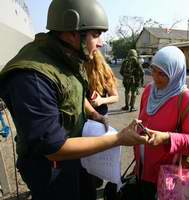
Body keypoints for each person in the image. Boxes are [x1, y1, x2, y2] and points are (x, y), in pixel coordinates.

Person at [0, 0, 148, 200]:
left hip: (73, 158)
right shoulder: (33, 78)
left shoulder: (64, 56)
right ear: (72, 32)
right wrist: (118, 139)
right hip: (50, 169)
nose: (101, 42)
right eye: (95, 35)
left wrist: (94, 113)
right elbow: (53, 148)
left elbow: (72, 90)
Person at [133, 46, 189, 199]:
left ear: (176, 73)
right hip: (142, 168)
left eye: (163, 74)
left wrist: (166, 137)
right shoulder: (149, 90)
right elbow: (142, 119)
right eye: (154, 71)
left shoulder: (187, 100)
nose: (156, 78)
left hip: (166, 175)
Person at [85, 49, 119, 116]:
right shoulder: (78, 70)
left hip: (100, 115)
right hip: (81, 118)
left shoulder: (104, 72)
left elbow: (115, 97)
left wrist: (101, 100)